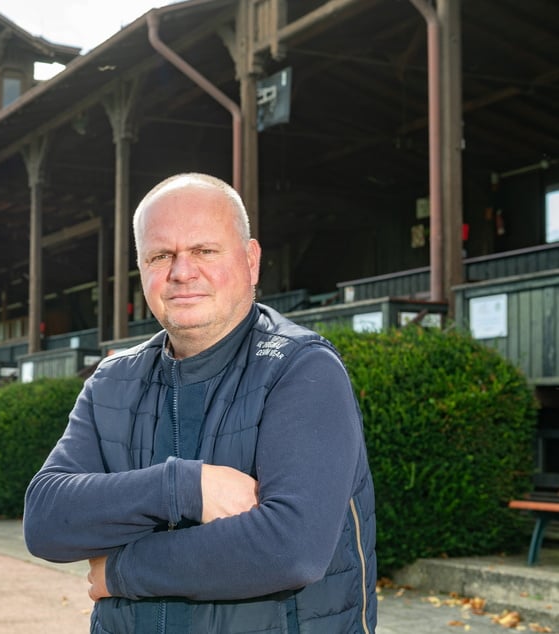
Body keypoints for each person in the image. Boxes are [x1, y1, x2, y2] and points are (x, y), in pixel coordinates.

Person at [24, 173, 377, 633]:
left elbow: (290, 549)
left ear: (251, 262)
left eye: (204, 251)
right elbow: (46, 522)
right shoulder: (112, 382)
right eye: (160, 255)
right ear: (142, 269)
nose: (182, 271)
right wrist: (184, 487)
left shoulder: (301, 369)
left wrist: (119, 571)